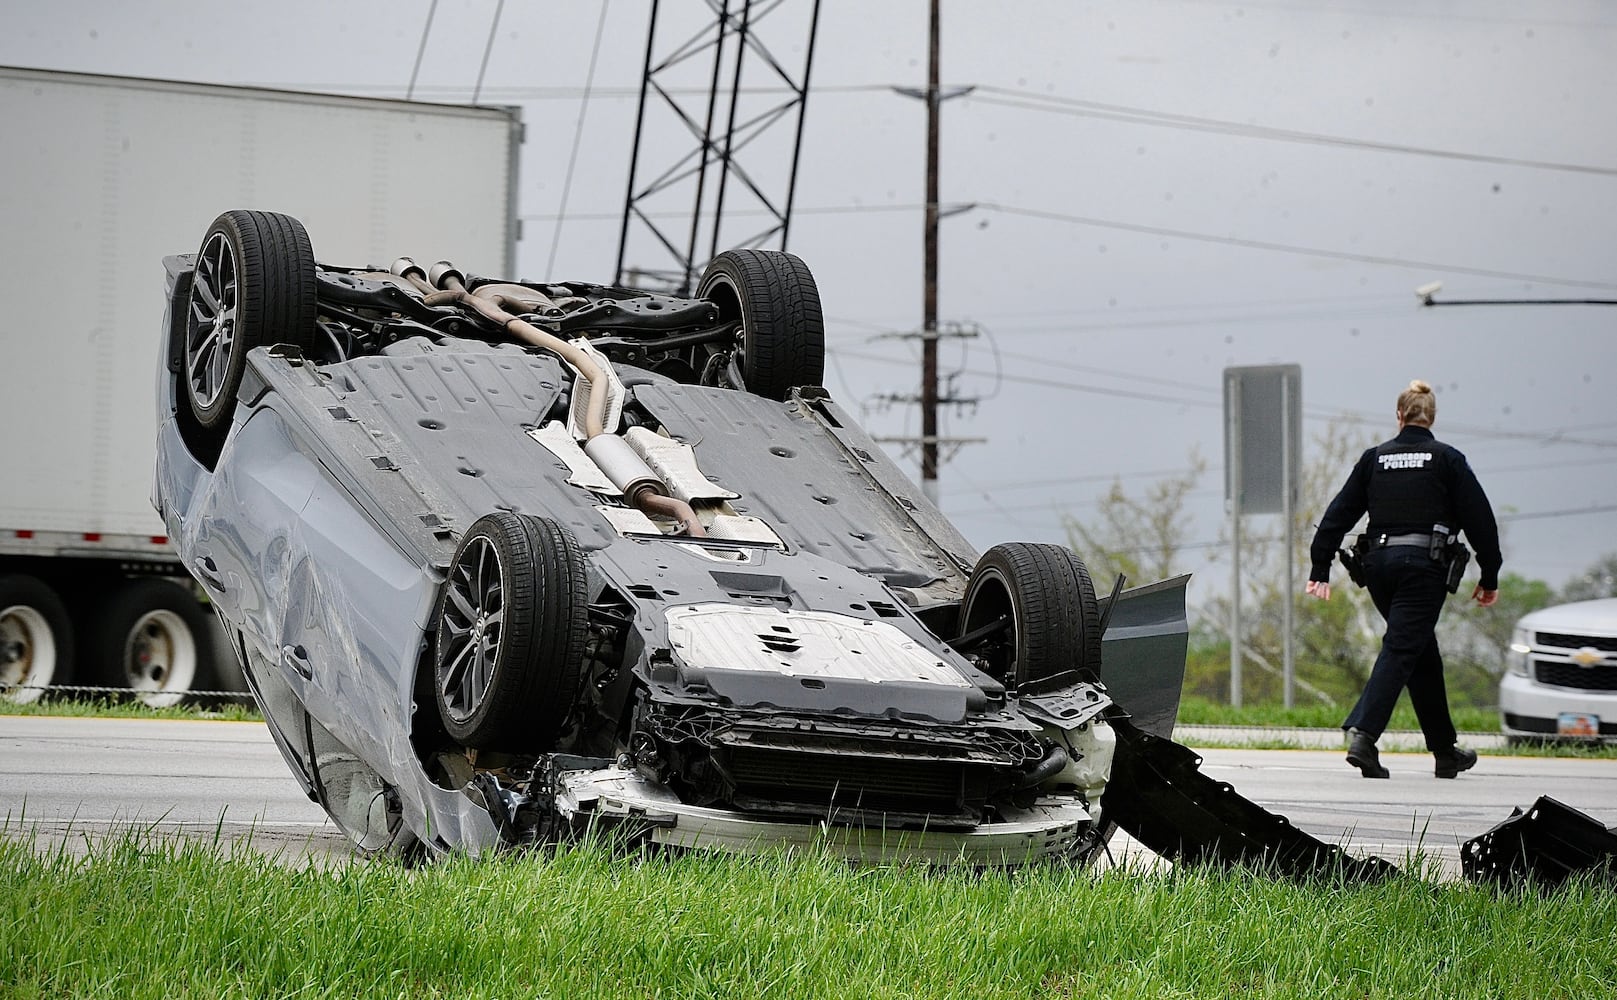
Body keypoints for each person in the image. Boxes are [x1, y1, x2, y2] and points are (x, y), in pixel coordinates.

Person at [1305, 379, 1502, 779]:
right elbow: (1480, 520)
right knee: (1401, 648)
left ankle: (1445, 752)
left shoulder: (1374, 459)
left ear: (1399, 417)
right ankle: (1365, 737)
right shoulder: (1447, 460)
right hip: (1423, 569)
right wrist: (1490, 573)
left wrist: (1320, 565)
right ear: (1431, 418)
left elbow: (1338, 512)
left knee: (1419, 652)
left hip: (1378, 568)